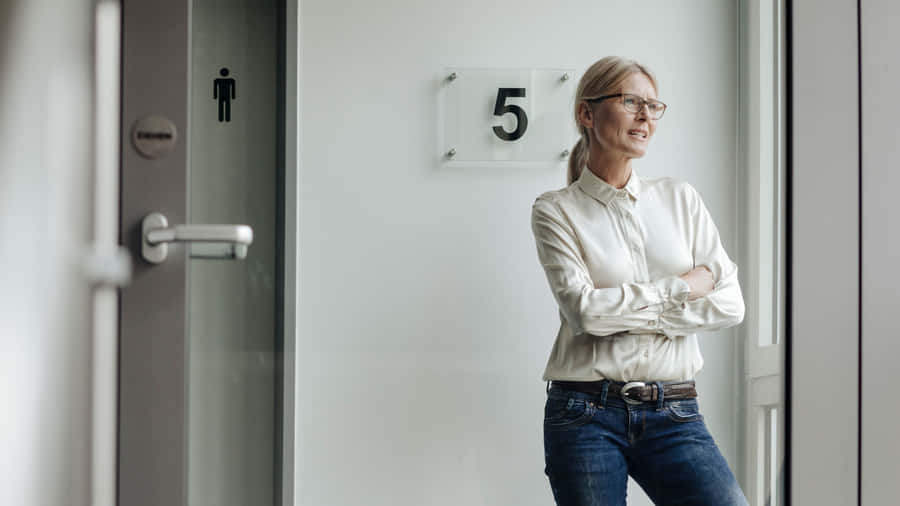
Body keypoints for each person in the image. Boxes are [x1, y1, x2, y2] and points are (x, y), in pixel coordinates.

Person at [530, 56, 749, 505]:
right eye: (631, 102)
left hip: (675, 409)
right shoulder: (555, 210)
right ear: (586, 114)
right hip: (583, 412)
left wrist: (627, 312)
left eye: (654, 105)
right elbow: (584, 313)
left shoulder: (680, 198)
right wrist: (682, 288)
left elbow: (730, 305)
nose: (646, 116)